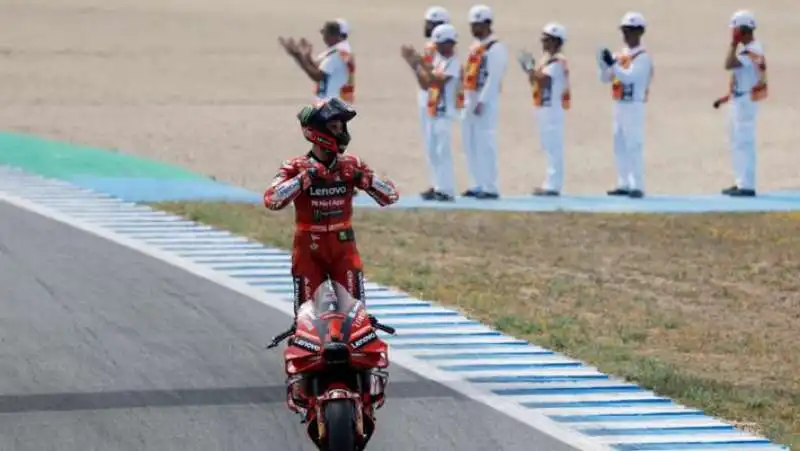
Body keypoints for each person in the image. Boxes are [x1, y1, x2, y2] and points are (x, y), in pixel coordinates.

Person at [263, 98, 399, 323]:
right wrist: (306, 178)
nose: (341, 133)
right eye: (334, 127)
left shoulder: (352, 164)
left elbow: (391, 196)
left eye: (342, 127)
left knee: (356, 315)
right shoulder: (295, 166)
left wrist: (361, 178)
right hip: (308, 246)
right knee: (306, 317)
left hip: (343, 245)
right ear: (316, 131)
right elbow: (271, 199)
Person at [401, 23, 462, 201]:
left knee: (443, 151)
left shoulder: (453, 62)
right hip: (435, 110)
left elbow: (437, 81)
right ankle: (438, 185)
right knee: (434, 151)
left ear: (449, 43)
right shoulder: (441, 61)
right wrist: (414, 63)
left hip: (446, 112)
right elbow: (426, 83)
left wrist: (419, 61)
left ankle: (447, 189)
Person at [597, 12, 654, 199]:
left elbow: (629, 77)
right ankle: (623, 182)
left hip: (633, 104)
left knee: (633, 144)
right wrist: (603, 64)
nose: (626, 34)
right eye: (624, 30)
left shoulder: (643, 57)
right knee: (619, 143)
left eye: (630, 30)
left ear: (640, 32)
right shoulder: (620, 55)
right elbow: (605, 79)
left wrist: (613, 65)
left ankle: (637, 184)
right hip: (618, 103)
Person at [713, 10, 767, 197]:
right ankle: (740, 180)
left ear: (741, 31)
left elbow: (729, 64)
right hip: (739, 98)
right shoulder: (750, 49)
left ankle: (747, 185)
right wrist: (728, 95)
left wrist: (733, 44)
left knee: (744, 141)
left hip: (745, 101)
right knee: (736, 141)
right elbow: (740, 75)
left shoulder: (752, 50)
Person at [460, 4, 508, 200]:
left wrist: (482, 100)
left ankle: (490, 186)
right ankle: (476, 182)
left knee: (485, 142)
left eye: (478, 25)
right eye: (472, 25)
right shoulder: (475, 47)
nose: (474, 29)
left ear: (487, 24)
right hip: (470, 96)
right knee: (470, 142)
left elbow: (494, 77)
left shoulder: (495, 48)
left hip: (484, 99)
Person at [518, 23, 571, 196]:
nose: (543, 43)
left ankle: (554, 184)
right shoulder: (545, 61)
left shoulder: (558, 61)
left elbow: (545, 80)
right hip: (542, 105)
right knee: (547, 145)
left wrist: (530, 69)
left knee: (554, 146)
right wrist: (531, 71)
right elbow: (535, 81)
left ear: (556, 41)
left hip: (552, 108)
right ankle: (549, 181)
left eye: (547, 40)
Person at [279, 19, 356, 103]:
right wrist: (305, 56)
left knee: (306, 115)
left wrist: (298, 56)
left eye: (324, 32)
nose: (323, 36)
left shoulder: (338, 53)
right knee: (305, 115)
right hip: (331, 102)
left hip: (332, 105)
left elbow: (317, 76)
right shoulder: (340, 50)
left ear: (335, 35)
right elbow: (319, 67)